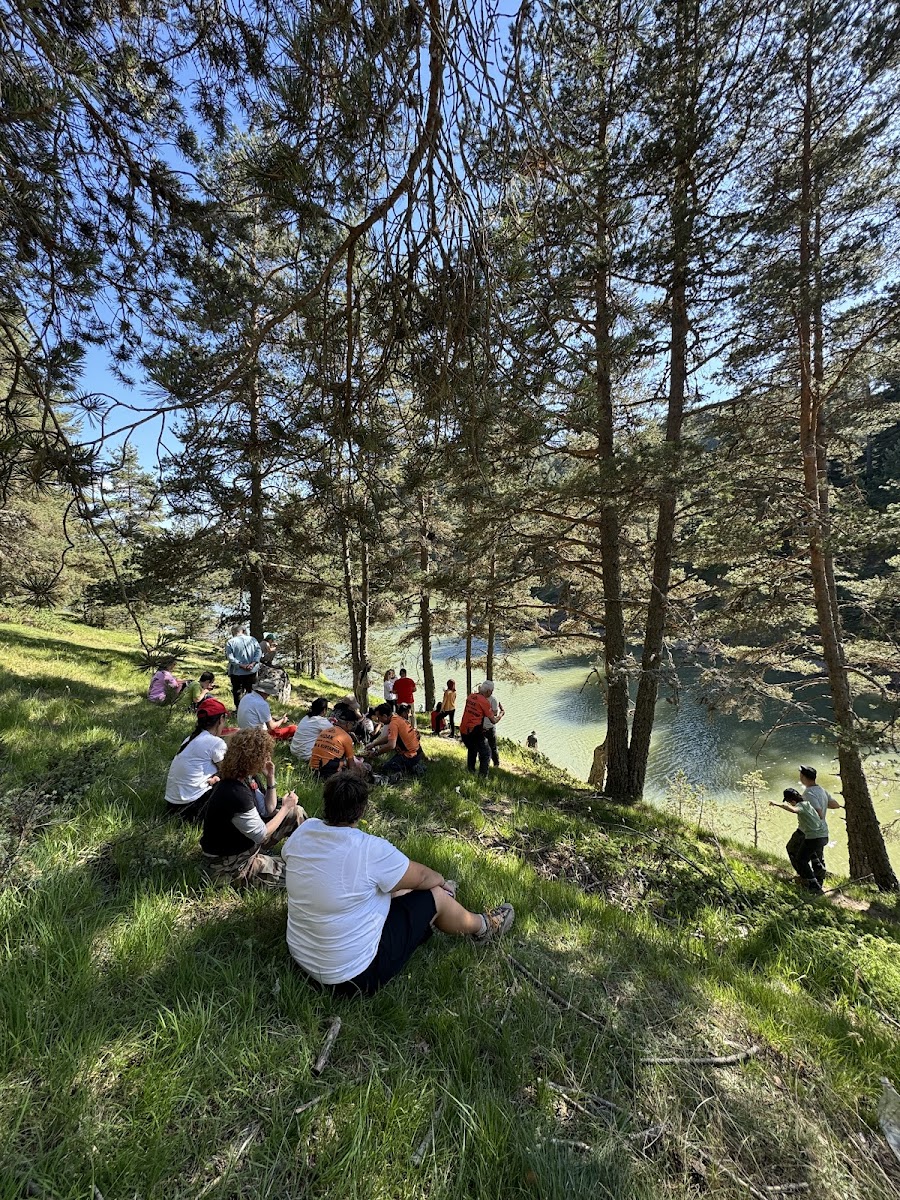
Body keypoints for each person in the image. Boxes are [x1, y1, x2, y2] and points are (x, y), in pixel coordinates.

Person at [282, 771, 515, 996]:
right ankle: (484, 926)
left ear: (327, 803)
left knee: (393, 887)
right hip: (352, 977)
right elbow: (424, 876)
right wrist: (443, 882)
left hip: (302, 956)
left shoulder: (306, 830)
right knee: (435, 896)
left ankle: (440, 915)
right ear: (362, 809)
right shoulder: (369, 849)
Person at [200, 727, 303, 888]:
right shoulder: (234, 791)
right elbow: (260, 834)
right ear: (253, 758)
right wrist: (284, 808)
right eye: (265, 754)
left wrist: (270, 778)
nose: (268, 758)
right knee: (299, 876)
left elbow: (267, 809)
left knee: (296, 811)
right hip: (229, 863)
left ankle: (314, 850)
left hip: (246, 843)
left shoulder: (246, 777)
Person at [769, 771, 840, 894]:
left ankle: (811, 883)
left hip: (812, 835)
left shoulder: (805, 800)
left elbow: (795, 809)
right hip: (822, 833)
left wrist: (777, 804)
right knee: (811, 853)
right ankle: (816, 873)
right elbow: (835, 805)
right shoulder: (813, 797)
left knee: (800, 858)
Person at [164, 697, 229, 821]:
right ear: (221, 719)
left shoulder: (189, 739)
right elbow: (229, 772)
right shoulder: (216, 743)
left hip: (173, 806)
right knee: (238, 780)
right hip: (193, 807)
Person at [363, 703, 425, 777]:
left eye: (379, 717)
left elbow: (391, 745)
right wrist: (374, 744)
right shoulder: (396, 718)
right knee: (388, 764)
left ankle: (413, 768)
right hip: (416, 752)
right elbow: (390, 737)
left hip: (411, 755)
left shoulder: (393, 724)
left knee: (385, 769)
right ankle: (411, 766)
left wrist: (376, 753)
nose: (378, 720)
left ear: (385, 716)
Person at [459, 681, 502, 777]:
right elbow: (493, 720)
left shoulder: (471, 696)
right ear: (488, 691)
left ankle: (470, 771)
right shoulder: (485, 702)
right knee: (486, 753)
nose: (491, 693)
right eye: (491, 691)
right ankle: (482, 777)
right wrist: (501, 714)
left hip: (464, 729)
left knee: (472, 749)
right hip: (474, 731)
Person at [309, 703, 363, 779]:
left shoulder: (325, 731)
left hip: (312, 771)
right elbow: (351, 764)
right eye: (353, 724)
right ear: (348, 724)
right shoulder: (346, 737)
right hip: (329, 775)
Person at [224, 623, 262, 708]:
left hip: (237, 672)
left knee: (237, 692)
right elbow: (258, 652)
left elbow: (231, 658)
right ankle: (252, 710)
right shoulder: (252, 639)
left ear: (233, 632)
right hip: (252, 671)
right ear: (243, 631)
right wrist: (253, 663)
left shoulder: (230, 642)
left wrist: (242, 665)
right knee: (251, 692)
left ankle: (239, 710)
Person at [290, 697, 332, 762]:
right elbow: (334, 732)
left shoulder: (305, 717)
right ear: (324, 710)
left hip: (294, 750)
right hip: (306, 755)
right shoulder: (321, 721)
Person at [485, 687, 505, 767]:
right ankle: (496, 763)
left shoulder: (479, 698)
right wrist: (502, 713)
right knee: (493, 746)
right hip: (489, 727)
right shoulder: (493, 700)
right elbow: (495, 717)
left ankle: (485, 762)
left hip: (480, 726)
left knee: (482, 745)